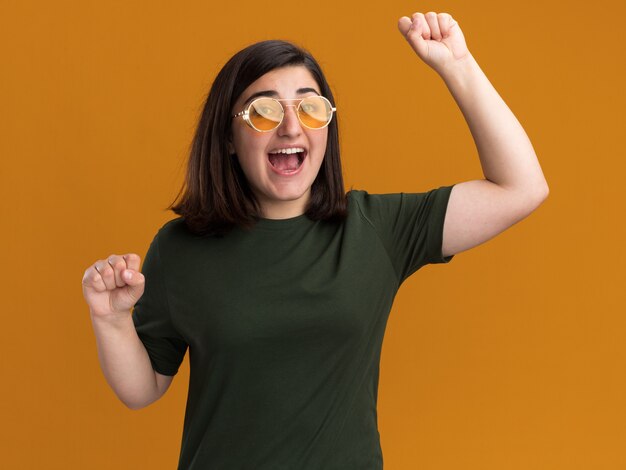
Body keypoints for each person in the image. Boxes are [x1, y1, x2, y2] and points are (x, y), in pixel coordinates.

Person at [82, 11, 548, 470]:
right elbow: (143, 389)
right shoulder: (181, 246)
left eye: (309, 107)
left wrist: (458, 65)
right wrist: (111, 319)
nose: (290, 126)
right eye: (263, 110)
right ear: (227, 135)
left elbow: (521, 188)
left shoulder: (375, 230)